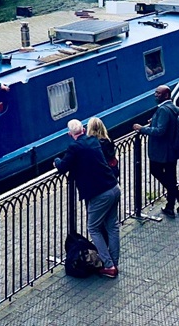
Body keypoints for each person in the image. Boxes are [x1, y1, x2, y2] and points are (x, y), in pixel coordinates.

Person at [54, 118, 121, 278]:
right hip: (114, 187)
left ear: (70, 134)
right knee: (113, 227)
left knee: (93, 228)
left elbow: (63, 167)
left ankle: (109, 266)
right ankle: (114, 261)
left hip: (100, 194)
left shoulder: (74, 147)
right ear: (83, 130)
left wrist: (56, 161)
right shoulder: (93, 140)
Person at [135, 85, 179, 217]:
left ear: (166, 95)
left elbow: (160, 131)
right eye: (155, 92)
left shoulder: (163, 110)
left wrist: (142, 129)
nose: (155, 95)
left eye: (158, 93)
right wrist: (154, 122)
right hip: (172, 150)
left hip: (163, 152)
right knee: (171, 177)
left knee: (156, 171)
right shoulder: (172, 107)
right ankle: (171, 205)